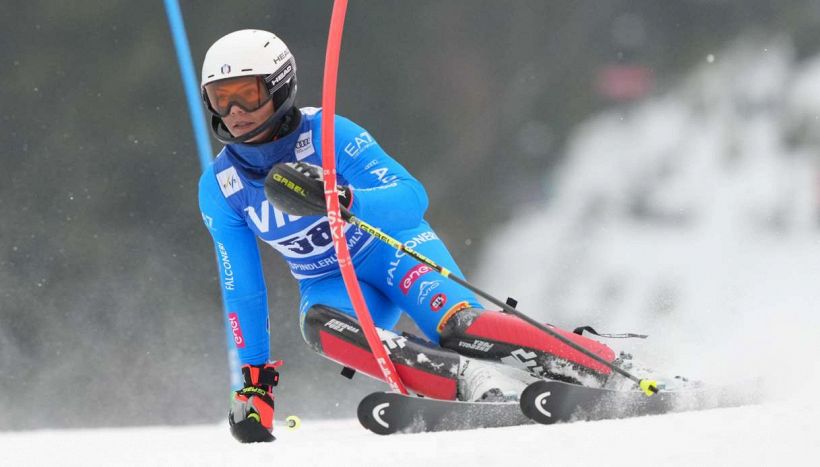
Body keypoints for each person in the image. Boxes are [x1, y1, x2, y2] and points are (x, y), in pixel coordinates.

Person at [198, 29, 622, 443]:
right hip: (332, 283)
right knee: (320, 328)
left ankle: (606, 365)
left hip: (392, 251)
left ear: (279, 87)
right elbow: (243, 288)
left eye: (246, 93)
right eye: (221, 98)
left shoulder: (329, 133)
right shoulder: (220, 187)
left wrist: (346, 199)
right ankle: (473, 379)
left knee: (460, 329)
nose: (234, 111)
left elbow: (410, 196)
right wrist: (254, 384)